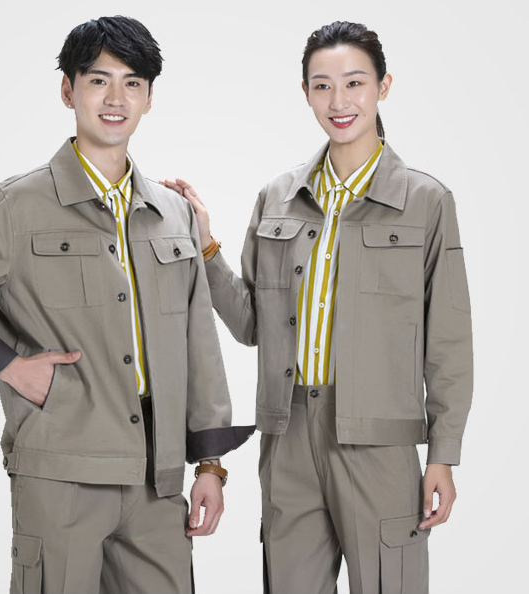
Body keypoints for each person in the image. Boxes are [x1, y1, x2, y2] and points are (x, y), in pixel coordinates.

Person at [0, 16, 253, 594]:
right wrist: (10, 367)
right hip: (61, 471)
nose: (116, 99)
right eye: (98, 80)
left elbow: (199, 341)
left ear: (149, 98)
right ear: (68, 90)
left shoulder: (174, 213)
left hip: (158, 477)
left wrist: (211, 465)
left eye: (132, 83)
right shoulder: (17, 204)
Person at [163, 20, 473, 594]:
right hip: (287, 434)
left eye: (354, 83)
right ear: (305, 92)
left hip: (379, 440)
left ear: (383, 87)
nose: (339, 102)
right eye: (322, 86)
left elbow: (448, 342)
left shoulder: (426, 201)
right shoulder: (277, 197)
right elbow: (251, 323)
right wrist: (206, 246)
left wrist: (443, 455)